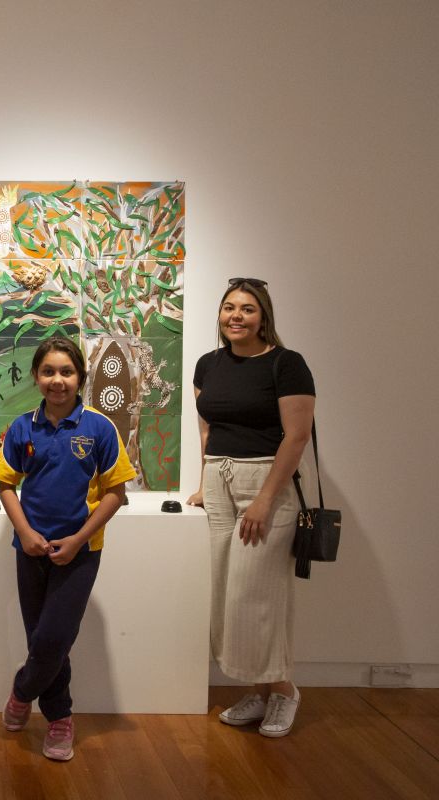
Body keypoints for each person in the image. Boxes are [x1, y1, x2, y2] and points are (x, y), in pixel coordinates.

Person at [0, 337, 136, 762]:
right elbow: (6, 485)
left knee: (54, 637)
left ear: (81, 377)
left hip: (81, 550)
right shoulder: (23, 427)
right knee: (41, 638)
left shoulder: (98, 428)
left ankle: (23, 692)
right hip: (30, 548)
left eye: (67, 372)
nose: (58, 381)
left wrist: (77, 540)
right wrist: (26, 533)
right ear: (37, 377)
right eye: (49, 372)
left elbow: (116, 493)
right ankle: (60, 720)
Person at [187, 278, 315, 738]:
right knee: (227, 592)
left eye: (247, 309)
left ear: (264, 318)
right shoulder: (207, 365)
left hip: (266, 481)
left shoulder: (286, 364)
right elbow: (207, 432)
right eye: (228, 308)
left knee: (256, 594)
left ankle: (283, 691)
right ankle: (260, 694)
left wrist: (264, 498)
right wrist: (205, 483)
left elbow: (296, 436)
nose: (236, 316)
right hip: (220, 480)